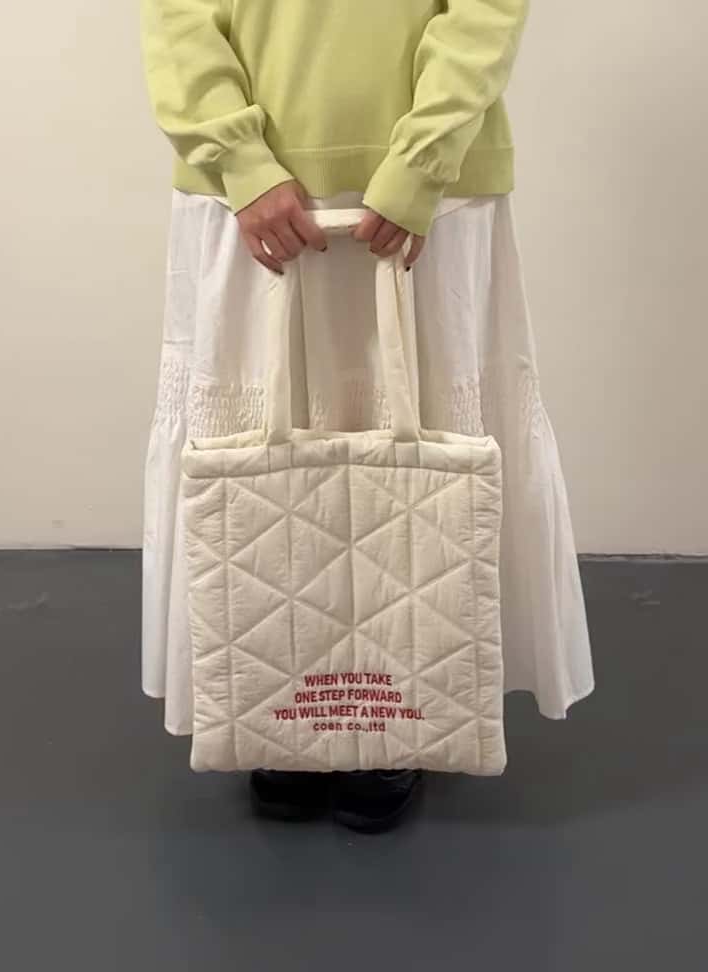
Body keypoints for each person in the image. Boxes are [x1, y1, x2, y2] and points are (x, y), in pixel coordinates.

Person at [139, 0, 595, 833]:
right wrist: (239, 159)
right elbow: (177, 14)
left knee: (416, 448)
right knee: (262, 449)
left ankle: (403, 701)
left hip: (430, 188)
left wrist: (421, 159)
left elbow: (486, 10)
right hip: (251, 192)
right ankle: (280, 697)